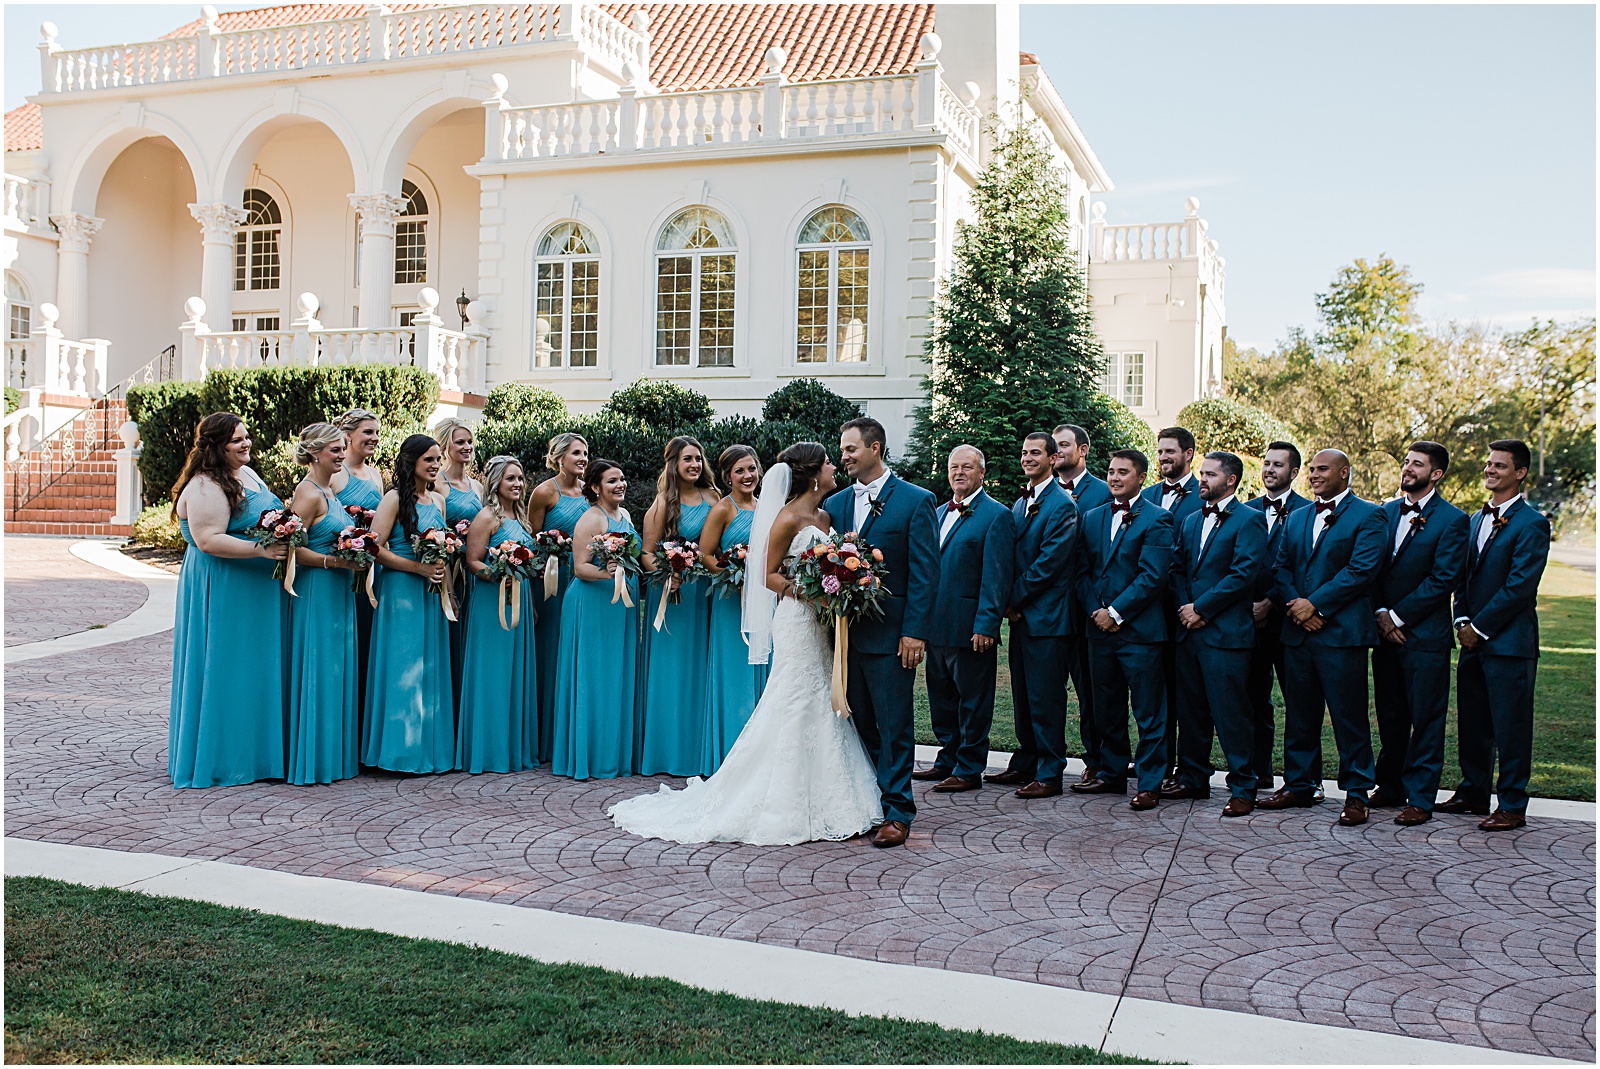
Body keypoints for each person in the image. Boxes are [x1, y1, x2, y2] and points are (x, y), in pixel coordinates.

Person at [608, 443, 882, 844]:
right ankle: (779, 799)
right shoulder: (786, 518)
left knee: (824, 697)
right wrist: (813, 594)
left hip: (823, 622)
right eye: (827, 462)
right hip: (797, 618)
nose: (833, 467)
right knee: (794, 699)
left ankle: (833, 793)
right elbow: (767, 574)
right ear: (810, 473)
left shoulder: (826, 514)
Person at [823, 417, 939, 848]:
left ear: (875, 448)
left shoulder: (915, 500)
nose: (845, 455)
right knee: (859, 723)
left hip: (892, 636)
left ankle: (897, 810)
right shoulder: (833, 505)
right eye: (842, 448)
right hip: (842, 637)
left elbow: (927, 574)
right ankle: (869, 801)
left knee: (894, 725)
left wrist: (915, 632)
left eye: (851, 448)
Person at [1258, 448, 1387, 826]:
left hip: (1341, 633)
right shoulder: (1297, 517)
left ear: (1344, 473)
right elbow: (1280, 567)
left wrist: (1315, 605)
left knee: (1348, 718)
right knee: (1300, 715)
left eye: (1322, 469)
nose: (1314, 475)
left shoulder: (1369, 515)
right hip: (1298, 633)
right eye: (1311, 470)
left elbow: (1361, 570)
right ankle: (1299, 783)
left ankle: (1358, 793)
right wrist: (1296, 604)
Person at [169, 413, 290, 788]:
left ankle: (257, 754)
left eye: (247, 436)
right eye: (237, 439)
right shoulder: (206, 485)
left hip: (253, 589)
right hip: (224, 587)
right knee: (227, 665)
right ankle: (224, 758)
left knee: (253, 667)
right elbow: (207, 539)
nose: (246, 443)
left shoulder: (247, 475)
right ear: (216, 445)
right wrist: (260, 549)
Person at [1439, 439, 1551, 831]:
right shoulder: (1474, 520)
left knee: (1511, 726)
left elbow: (1520, 587)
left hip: (1509, 644)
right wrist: (1461, 622)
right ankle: (1473, 792)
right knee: (1474, 723)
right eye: (1489, 464)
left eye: (1500, 466)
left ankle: (1512, 805)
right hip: (1471, 639)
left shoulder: (1533, 523)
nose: (1490, 470)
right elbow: (1461, 579)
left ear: (1519, 473)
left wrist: (1480, 629)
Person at [1370, 442, 1469, 826]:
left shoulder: (1453, 520)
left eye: (1418, 464)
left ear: (1437, 474)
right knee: (1391, 715)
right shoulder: (1386, 512)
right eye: (1407, 462)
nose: (1408, 468)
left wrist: (1398, 617)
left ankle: (1422, 797)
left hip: (1424, 638)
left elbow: (1443, 578)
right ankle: (1391, 785)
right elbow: (1371, 568)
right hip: (1384, 633)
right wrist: (1381, 615)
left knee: (1427, 719)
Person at [1073, 449, 1175, 810]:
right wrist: (1095, 611)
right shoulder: (1093, 517)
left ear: (1141, 478)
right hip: (1097, 630)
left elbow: (1153, 576)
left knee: (1148, 711)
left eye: (1123, 472)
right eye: (1112, 472)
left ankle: (1150, 782)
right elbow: (1081, 571)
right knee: (1106, 707)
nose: (1115, 478)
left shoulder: (1158, 520)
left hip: (1140, 633)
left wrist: (1116, 612)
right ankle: (1111, 773)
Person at [1169, 451, 1269, 815]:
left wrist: (1202, 609)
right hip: (1188, 632)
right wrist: (1185, 608)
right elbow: (1177, 568)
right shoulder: (1192, 519)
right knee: (1191, 711)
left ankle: (1244, 785)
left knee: (1231, 713)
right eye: (1201, 474)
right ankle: (1193, 779)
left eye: (1209, 475)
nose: (1201, 480)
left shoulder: (1251, 521)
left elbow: (1243, 575)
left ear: (1230, 480)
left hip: (1226, 635)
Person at [913, 445, 1014, 792]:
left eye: (967, 467)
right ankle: (948, 759)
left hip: (971, 627)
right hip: (935, 626)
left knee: (972, 701)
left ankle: (969, 768)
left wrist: (987, 624)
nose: (959, 473)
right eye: (953, 466)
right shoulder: (938, 512)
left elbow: (996, 576)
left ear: (981, 473)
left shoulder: (996, 516)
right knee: (941, 701)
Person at [984, 432, 1078, 800]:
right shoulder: (1022, 502)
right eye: (1024, 452)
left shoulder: (1062, 506)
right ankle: (1025, 762)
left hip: (1047, 620)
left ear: (1053, 459)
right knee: (1023, 697)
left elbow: (1047, 566)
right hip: (1022, 617)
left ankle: (1051, 772)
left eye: (1036, 453)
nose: (1027, 458)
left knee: (1045, 698)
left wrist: (1011, 601)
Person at [362, 434, 456, 774]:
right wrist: (418, 567)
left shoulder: (439, 502)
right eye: (429, 459)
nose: (435, 465)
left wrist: (444, 581)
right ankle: (398, 753)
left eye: (437, 459)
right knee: (403, 666)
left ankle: (427, 750)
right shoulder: (392, 499)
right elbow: (375, 547)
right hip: (401, 590)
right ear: (411, 462)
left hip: (431, 593)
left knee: (427, 667)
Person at [551, 459, 642, 780]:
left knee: (616, 675)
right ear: (595, 487)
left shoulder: (625, 516)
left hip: (620, 605)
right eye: (612, 481)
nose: (621, 485)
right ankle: (589, 756)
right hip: (592, 604)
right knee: (594, 676)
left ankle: (612, 754)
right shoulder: (590, 519)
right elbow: (579, 568)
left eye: (622, 479)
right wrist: (608, 572)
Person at [638, 435, 721, 777]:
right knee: (672, 670)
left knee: (702, 668)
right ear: (673, 464)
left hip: (708, 593)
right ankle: (667, 752)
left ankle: (700, 749)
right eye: (687, 459)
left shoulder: (714, 497)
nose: (694, 465)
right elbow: (645, 553)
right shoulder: (662, 504)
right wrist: (667, 571)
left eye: (698, 459)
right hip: (674, 596)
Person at [285, 422, 363, 786]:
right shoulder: (309, 493)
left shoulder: (329, 491)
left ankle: (334, 756)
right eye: (335, 450)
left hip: (338, 591)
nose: (341, 455)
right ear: (315, 452)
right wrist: (333, 561)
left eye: (342, 449)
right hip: (317, 589)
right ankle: (313, 760)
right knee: (318, 667)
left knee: (336, 669)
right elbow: (291, 547)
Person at [457, 455, 540, 774]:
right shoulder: (486, 517)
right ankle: (487, 750)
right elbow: (472, 561)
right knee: (492, 674)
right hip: (492, 605)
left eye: (520, 478)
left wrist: (529, 602)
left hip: (519, 604)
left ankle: (511, 748)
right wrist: (499, 573)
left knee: (514, 674)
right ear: (496, 483)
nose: (518, 483)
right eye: (511, 478)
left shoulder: (522, 520)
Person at [1240, 441, 1311, 800]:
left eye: (1278, 465)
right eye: (1266, 464)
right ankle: (1258, 770)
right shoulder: (1245, 510)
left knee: (1300, 701)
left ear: (1293, 473)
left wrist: (1271, 602)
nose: (1269, 470)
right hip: (1248, 621)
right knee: (1254, 698)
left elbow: (1302, 568)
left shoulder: (1310, 512)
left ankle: (1304, 779)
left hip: (1290, 622)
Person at [698, 445, 770, 771]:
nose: (747, 476)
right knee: (734, 672)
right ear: (728, 475)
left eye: (751, 469)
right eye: (740, 471)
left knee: (762, 671)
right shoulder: (723, 510)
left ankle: (760, 752)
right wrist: (734, 575)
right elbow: (706, 554)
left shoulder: (768, 506)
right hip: (731, 602)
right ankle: (730, 753)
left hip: (765, 602)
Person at [1140, 426, 1201, 795]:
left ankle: (1191, 770)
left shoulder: (1204, 495)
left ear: (1189, 454)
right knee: (1153, 696)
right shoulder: (1145, 496)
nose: (1164, 458)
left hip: (1188, 613)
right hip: (1146, 615)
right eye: (1160, 452)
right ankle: (1157, 766)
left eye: (1170, 452)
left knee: (1188, 697)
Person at [1053, 423, 1111, 784]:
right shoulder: (1035, 494)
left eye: (1063, 445)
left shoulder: (1103, 493)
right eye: (1053, 446)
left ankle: (1097, 759)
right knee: (1043, 690)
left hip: (1087, 611)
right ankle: (1041, 757)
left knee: (1091, 691)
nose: (1057, 451)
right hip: (1047, 611)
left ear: (1083, 450)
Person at [526, 432, 589, 763]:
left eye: (585, 453)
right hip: (549, 581)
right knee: (549, 653)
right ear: (559, 457)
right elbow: (531, 540)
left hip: (583, 580)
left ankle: (568, 731)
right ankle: (544, 738)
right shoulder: (544, 492)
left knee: (575, 651)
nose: (582, 458)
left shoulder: (590, 492)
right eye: (576, 452)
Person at [331, 408, 384, 714]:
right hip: (344, 570)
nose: (374, 438)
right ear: (348, 435)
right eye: (367, 432)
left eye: (376, 432)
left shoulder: (376, 474)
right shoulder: (336, 474)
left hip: (372, 572)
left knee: (368, 646)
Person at [434, 417, 483, 710]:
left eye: (469, 441)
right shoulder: (438, 483)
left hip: (473, 570)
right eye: (459, 442)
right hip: (449, 569)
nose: (467, 447)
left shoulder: (477, 486)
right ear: (445, 446)